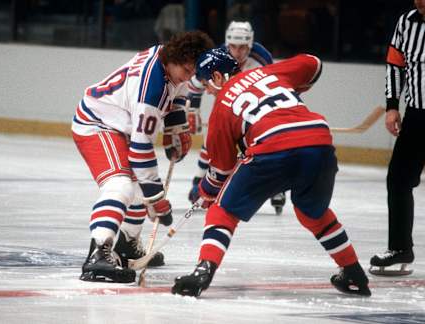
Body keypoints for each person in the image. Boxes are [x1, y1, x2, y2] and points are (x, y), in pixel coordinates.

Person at [171, 48, 371, 297]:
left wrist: (204, 192)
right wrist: (291, 88)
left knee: (222, 211)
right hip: (319, 140)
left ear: (217, 76)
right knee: (313, 214)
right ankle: (353, 271)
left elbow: (221, 168)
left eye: (206, 83)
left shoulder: (222, 106)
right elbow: (314, 63)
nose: (209, 91)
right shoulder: (270, 72)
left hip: (273, 147)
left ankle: (203, 271)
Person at [72, 31, 214, 283]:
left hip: (120, 123)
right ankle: (98, 253)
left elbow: (178, 91)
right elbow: (140, 150)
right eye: (187, 69)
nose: (189, 76)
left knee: (138, 186)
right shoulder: (152, 89)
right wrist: (157, 199)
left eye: (193, 71)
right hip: (98, 124)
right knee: (121, 185)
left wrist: (175, 127)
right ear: (176, 58)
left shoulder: (169, 60)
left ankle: (126, 243)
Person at [187, 21, 286, 215]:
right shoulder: (217, 56)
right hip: (226, 100)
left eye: (242, 47)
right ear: (226, 44)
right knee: (213, 137)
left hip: (253, 105)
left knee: (265, 142)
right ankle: (199, 181)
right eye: (233, 46)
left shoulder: (262, 58)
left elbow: (273, 87)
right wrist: (192, 111)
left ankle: (278, 187)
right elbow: (196, 83)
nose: (237, 52)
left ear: (250, 45)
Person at [369, 1, 425, 276]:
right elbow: (395, 65)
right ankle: (401, 247)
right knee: (399, 180)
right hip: (417, 115)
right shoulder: (407, 22)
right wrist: (392, 106)